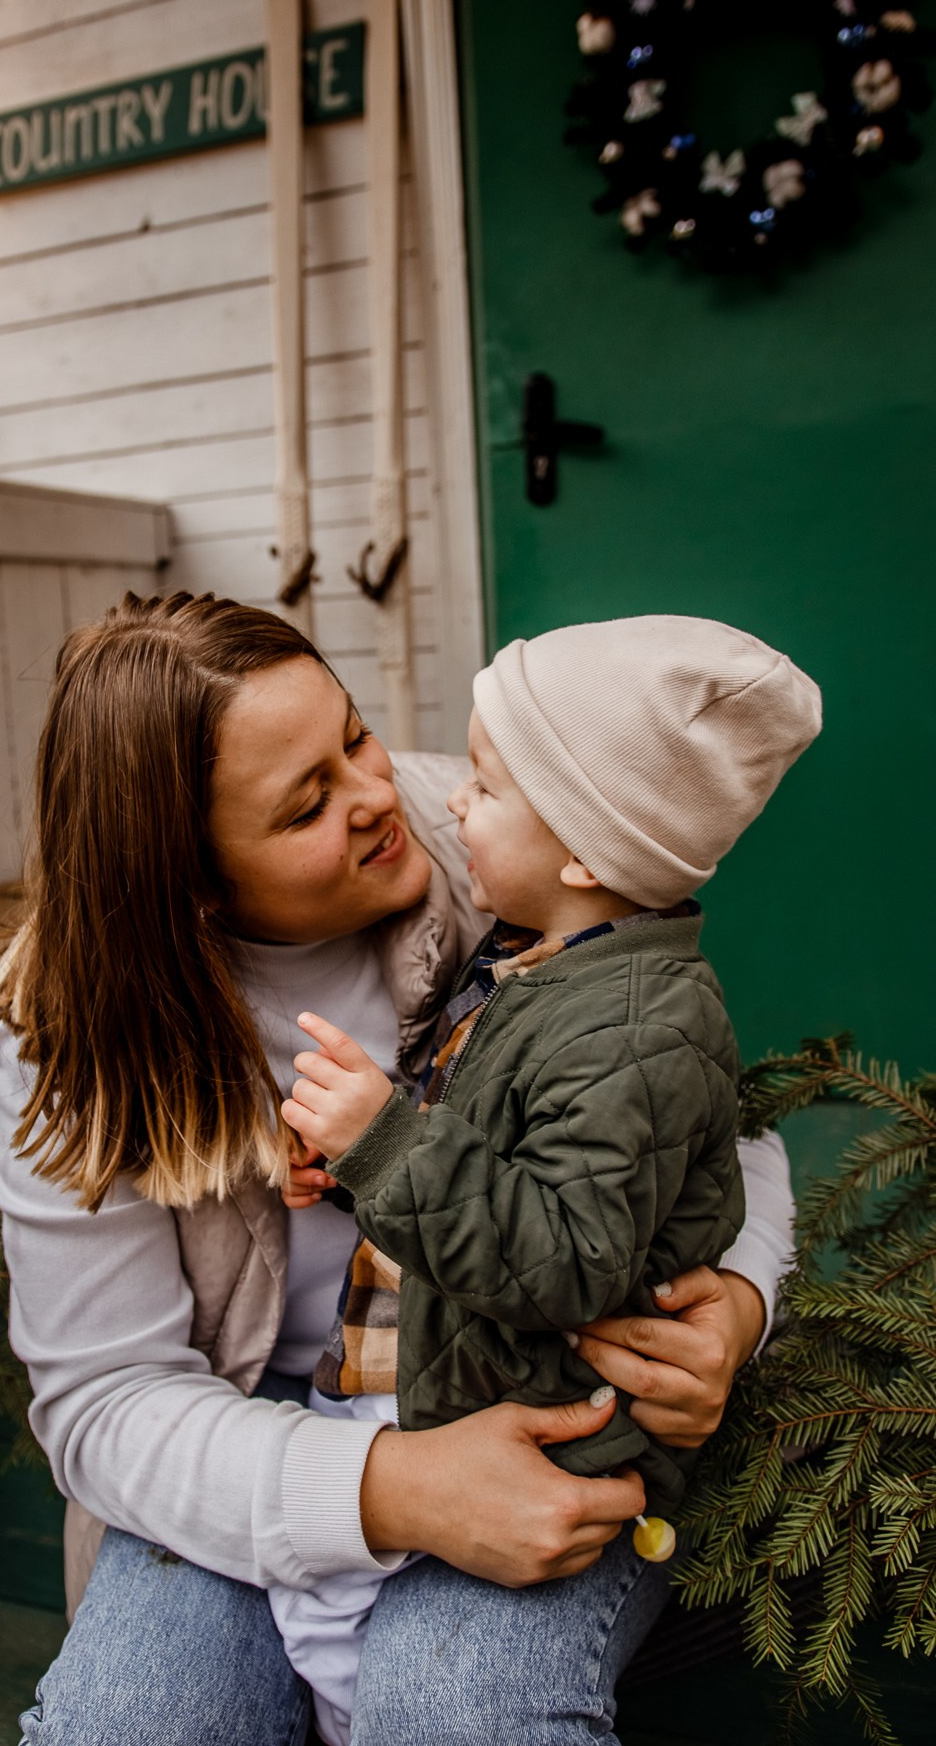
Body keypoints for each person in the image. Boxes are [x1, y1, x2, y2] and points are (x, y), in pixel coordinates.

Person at [0, 592, 796, 1745]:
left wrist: (736, 1309)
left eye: (355, 735)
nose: (378, 796)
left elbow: (713, 1120)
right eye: (306, 803)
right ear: (192, 884)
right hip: (242, 1416)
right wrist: (396, 1487)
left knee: (459, 1703)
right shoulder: (70, 1031)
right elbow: (103, 1402)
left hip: (518, 1380)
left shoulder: (506, 836)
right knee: (131, 1723)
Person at [267, 616, 821, 1746]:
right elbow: (499, 1151)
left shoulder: (632, 1025)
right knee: (321, 1631)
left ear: (582, 855)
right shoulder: (541, 955)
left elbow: (565, 1258)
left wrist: (388, 1143)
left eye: (482, 786)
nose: (449, 803)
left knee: (379, 1676)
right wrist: (357, 1166)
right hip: (452, 1390)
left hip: (541, 1431)